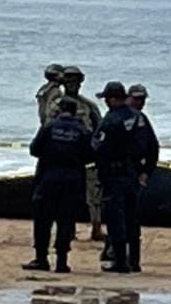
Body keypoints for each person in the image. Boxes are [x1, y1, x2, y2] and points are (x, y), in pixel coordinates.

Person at [23, 96, 92, 273]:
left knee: (43, 220)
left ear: (60, 110)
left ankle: (41, 259)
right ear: (75, 112)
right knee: (66, 220)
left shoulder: (49, 127)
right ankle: (62, 261)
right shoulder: (82, 130)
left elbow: (34, 149)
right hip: (72, 180)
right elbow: (90, 156)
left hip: (48, 178)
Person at [48, 66, 104, 242]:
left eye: (76, 81)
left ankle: (96, 228)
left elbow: (100, 130)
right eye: (69, 81)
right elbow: (48, 129)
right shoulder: (54, 106)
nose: (73, 85)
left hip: (85, 159)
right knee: (64, 198)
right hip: (64, 160)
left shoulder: (89, 106)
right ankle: (67, 230)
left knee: (93, 197)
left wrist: (95, 153)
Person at [91, 82, 140, 273]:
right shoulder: (138, 118)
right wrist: (145, 171)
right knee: (132, 218)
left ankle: (120, 261)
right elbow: (151, 145)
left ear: (111, 99)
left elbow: (98, 146)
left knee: (115, 218)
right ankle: (134, 260)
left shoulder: (111, 120)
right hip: (133, 174)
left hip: (113, 175)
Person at [126, 84, 160, 272]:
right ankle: (115, 254)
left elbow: (153, 148)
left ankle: (132, 260)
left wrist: (147, 171)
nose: (141, 102)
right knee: (117, 217)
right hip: (118, 173)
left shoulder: (141, 120)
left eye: (143, 99)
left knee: (130, 218)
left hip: (132, 173)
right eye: (137, 99)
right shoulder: (119, 117)